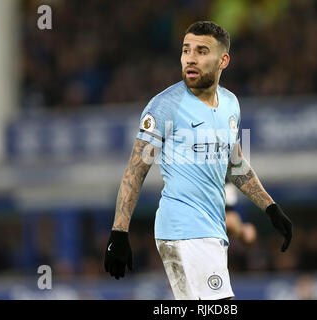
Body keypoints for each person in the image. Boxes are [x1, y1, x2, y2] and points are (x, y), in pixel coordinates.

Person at [104, 21, 292, 300]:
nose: (190, 58)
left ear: (223, 60)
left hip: (213, 230)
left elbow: (235, 163)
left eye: (202, 51)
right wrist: (119, 233)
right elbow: (136, 169)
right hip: (183, 228)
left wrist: (270, 207)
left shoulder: (230, 104)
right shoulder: (165, 106)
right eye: (186, 50)